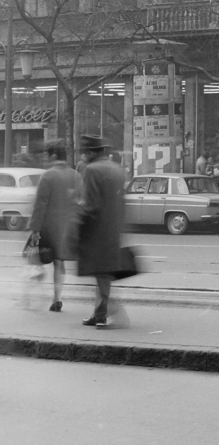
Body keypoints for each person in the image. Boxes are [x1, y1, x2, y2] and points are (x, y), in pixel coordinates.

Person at [73, 135, 129, 329]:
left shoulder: (91, 170)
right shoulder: (117, 169)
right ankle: (100, 313)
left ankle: (111, 311)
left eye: (84, 153)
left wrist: (77, 223)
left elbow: (89, 204)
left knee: (99, 271)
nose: (82, 157)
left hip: (96, 229)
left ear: (89, 153)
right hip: (113, 228)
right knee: (103, 273)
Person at [28, 140, 79, 312]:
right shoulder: (75, 175)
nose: (47, 160)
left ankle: (33, 295)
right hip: (67, 227)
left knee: (36, 259)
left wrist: (35, 230)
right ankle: (57, 298)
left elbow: (40, 204)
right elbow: (79, 202)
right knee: (59, 262)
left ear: (54, 156)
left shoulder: (48, 176)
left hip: (48, 227)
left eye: (48, 156)